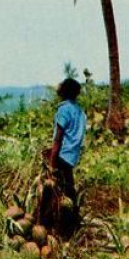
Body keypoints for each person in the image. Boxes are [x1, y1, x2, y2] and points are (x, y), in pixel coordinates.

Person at [47, 77, 86, 234]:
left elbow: (58, 139)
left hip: (62, 155)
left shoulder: (63, 110)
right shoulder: (79, 111)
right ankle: (72, 223)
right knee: (69, 188)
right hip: (73, 156)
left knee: (59, 192)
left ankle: (66, 227)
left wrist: (51, 162)